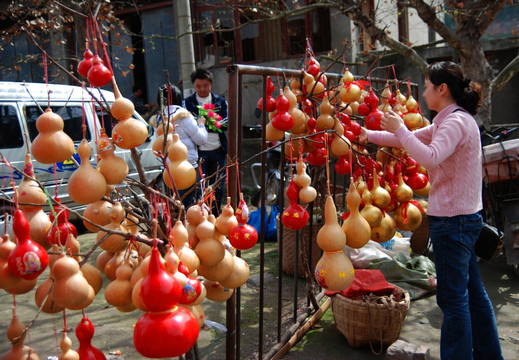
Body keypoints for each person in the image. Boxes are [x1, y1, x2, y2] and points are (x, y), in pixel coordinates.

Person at [359, 61, 503, 360]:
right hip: (462, 219)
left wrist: (400, 127)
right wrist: (367, 135)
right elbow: (413, 139)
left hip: (453, 221)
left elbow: (430, 156)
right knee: (473, 295)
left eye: (426, 87)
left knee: (453, 300)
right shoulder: (449, 120)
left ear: (442, 89)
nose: (423, 93)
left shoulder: (455, 123)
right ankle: (489, 355)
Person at [183, 69, 228, 215]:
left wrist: (204, 122)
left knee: (218, 186)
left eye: (205, 85)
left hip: (218, 150)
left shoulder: (220, 101)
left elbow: (226, 122)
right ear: (194, 86)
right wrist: (213, 122)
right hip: (198, 153)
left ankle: (216, 215)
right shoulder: (188, 103)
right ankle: (202, 216)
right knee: (200, 188)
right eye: (198, 86)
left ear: (211, 84)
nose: (202, 89)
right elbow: (188, 124)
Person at [158, 83, 207, 208]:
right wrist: (201, 124)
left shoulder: (160, 118)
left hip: (168, 168)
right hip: (187, 167)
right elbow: (201, 139)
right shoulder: (184, 116)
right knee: (191, 206)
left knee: (174, 206)